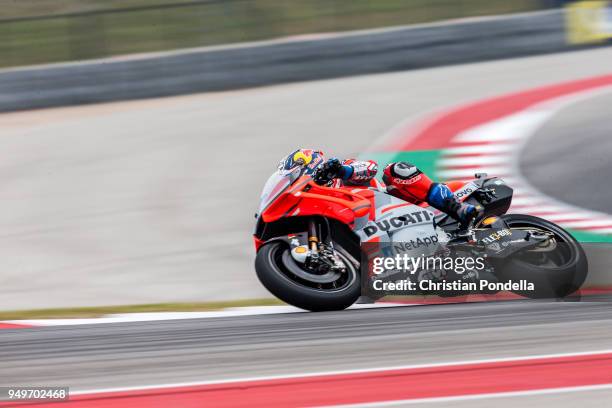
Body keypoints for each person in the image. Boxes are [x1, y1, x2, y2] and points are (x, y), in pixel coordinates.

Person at [288, 149, 482, 227]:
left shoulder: (340, 171)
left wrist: (341, 170)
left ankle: (458, 209)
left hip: (399, 206)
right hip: (374, 230)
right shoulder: (318, 200)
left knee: (395, 170)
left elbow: (370, 168)